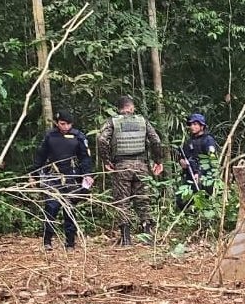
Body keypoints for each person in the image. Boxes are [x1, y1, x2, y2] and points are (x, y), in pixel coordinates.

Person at [97, 96, 163, 246]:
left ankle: (126, 239)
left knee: (122, 201)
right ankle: (147, 236)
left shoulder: (112, 122)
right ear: (132, 108)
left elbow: (101, 140)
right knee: (143, 199)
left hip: (121, 165)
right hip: (141, 165)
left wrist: (106, 161)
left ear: (119, 109)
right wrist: (158, 161)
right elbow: (156, 141)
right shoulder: (143, 121)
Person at [31, 110, 94, 250]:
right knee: (51, 207)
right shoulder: (50, 136)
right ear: (57, 123)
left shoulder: (78, 136)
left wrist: (87, 174)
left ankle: (70, 243)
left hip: (72, 176)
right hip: (53, 176)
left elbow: (85, 157)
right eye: (62, 124)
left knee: (69, 209)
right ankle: (47, 241)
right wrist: (34, 174)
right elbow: (41, 155)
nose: (65, 127)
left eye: (68, 124)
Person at [176, 113, 217, 210]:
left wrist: (200, 173)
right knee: (181, 201)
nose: (192, 127)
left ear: (202, 126)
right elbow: (181, 156)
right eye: (191, 124)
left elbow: (212, 159)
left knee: (203, 201)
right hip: (190, 175)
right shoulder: (190, 141)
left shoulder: (208, 140)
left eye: (195, 124)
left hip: (204, 177)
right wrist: (181, 161)